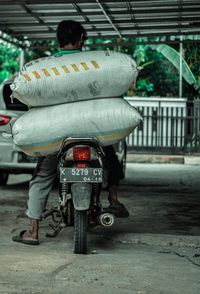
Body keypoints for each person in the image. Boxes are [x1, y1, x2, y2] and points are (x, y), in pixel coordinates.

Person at [12, 20, 129, 245]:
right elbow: (114, 95)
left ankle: (33, 231)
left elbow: (34, 103)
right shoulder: (96, 65)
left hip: (57, 138)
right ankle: (113, 199)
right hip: (93, 134)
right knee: (111, 162)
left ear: (59, 40)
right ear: (81, 40)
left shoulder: (44, 68)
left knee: (43, 176)